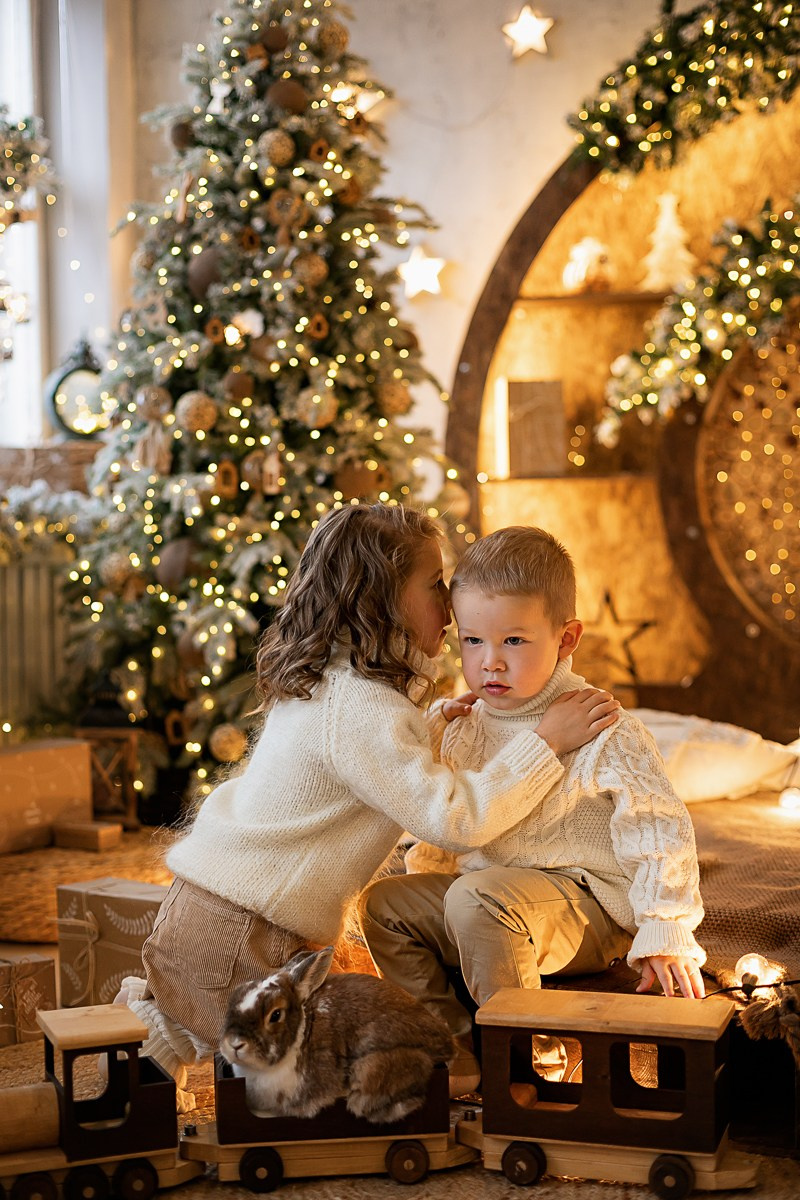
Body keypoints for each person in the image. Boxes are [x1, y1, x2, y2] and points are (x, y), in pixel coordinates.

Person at [120, 505, 618, 1108]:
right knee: (311, 1065)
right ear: (382, 599)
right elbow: (453, 820)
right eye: (436, 584)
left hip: (219, 910)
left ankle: (118, 1107)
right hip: (242, 927)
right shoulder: (361, 707)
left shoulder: (340, 683)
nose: (452, 598)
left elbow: (362, 769)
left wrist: (432, 727)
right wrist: (544, 744)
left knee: (183, 1033)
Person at [358, 525, 706, 1093]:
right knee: (385, 904)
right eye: (472, 641)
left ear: (567, 639)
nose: (490, 662)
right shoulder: (466, 726)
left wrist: (665, 927)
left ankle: (533, 1059)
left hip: (584, 905)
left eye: (514, 642)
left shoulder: (600, 726)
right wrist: (437, 726)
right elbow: (428, 800)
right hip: (489, 903)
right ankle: (449, 1052)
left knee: (476, 896)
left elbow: (660, 829)